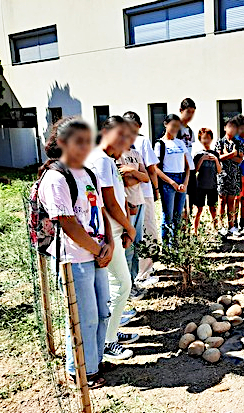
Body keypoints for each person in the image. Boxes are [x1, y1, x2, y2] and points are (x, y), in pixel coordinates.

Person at [38, 117, 113, 388]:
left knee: (102, 312)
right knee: (84, 318)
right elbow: (68, 223)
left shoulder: (87, 173)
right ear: (62, 143)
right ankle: (79, 371)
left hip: (97, 255)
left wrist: (109, 245)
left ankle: (94, 360)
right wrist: (98, 250)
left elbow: (101, 210)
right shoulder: (57, 178)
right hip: (75, 259)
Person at [86, 115, 137, 361]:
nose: (125, 145)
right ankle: (108, 341)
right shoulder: (101, 161)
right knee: (122, 285)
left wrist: (125, 223)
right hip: (109, 233)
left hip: (115, 231)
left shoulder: (107, 160)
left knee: (112, 287)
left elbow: (119, 197)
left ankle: (111, 332)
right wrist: (130, 227)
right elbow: (109, 202)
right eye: (122, 137)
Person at [122, 111, 160, 288]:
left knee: (137, 234)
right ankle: (143, 274)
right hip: (140, 195)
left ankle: (140, 273)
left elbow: (143, 173)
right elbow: (149, 170)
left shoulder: (128, 144)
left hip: (136, 193)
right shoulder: (138, 142)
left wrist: (133, 174)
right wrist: (154, 187)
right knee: (145, 233)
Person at [116, 121, 149, 302]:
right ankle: (126, 286)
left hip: (140, 202)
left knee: (137, 246)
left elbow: (145, 178)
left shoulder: (136, 154)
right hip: (130, 206)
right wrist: (134, 174)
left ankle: (133, 281)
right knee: (128, 247)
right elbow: (126, 182)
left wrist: (131, 171)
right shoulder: (118, 155)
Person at [154, 114, 190, 240]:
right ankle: (167, 250)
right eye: (173, 125)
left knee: (178, 217)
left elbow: (187, 166)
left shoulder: (180, 143)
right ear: (165, 124)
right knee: (168, 216)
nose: (175, 128)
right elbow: (156, 168)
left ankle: (176, 246)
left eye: (177, 126)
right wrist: (172, 183)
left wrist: (185, 182)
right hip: (168, 181)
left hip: (181, 179)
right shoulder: (160, 144)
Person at [216, 117, 243, 235]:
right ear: (224, 128)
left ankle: (232, 226)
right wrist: (232, 154)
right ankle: (221, 226)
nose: (232, 129)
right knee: (222, 200)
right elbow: (218, 157)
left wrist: (227, 155)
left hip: (234, 175)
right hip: (222, 175)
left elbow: (240, 159)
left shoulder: (238, 142)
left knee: (232, 200)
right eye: (229, 126)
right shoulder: (220, 142)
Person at [193, 128, 222, 234]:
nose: (206, 140)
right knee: (198, 210)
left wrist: (215, 160)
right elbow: (195, 170)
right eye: (204, 138)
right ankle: (195, 231)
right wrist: (202, 159)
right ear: (200, 140)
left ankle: (216, 230)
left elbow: (219, 171)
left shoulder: (215, 154)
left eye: (208, 138)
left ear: (211, 139)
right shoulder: (198, 155)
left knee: (213, 209)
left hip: (213, 186)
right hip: (200, 186)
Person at [178, 98, 197, 217]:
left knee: (191, 202)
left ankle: (188, 227)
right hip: (179, 168)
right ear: (181, 110)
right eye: (188, 112)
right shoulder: (175, 128)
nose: (190, 115)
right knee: (181, 203)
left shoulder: (190, 130)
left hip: (190, 167)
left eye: (193, 112)